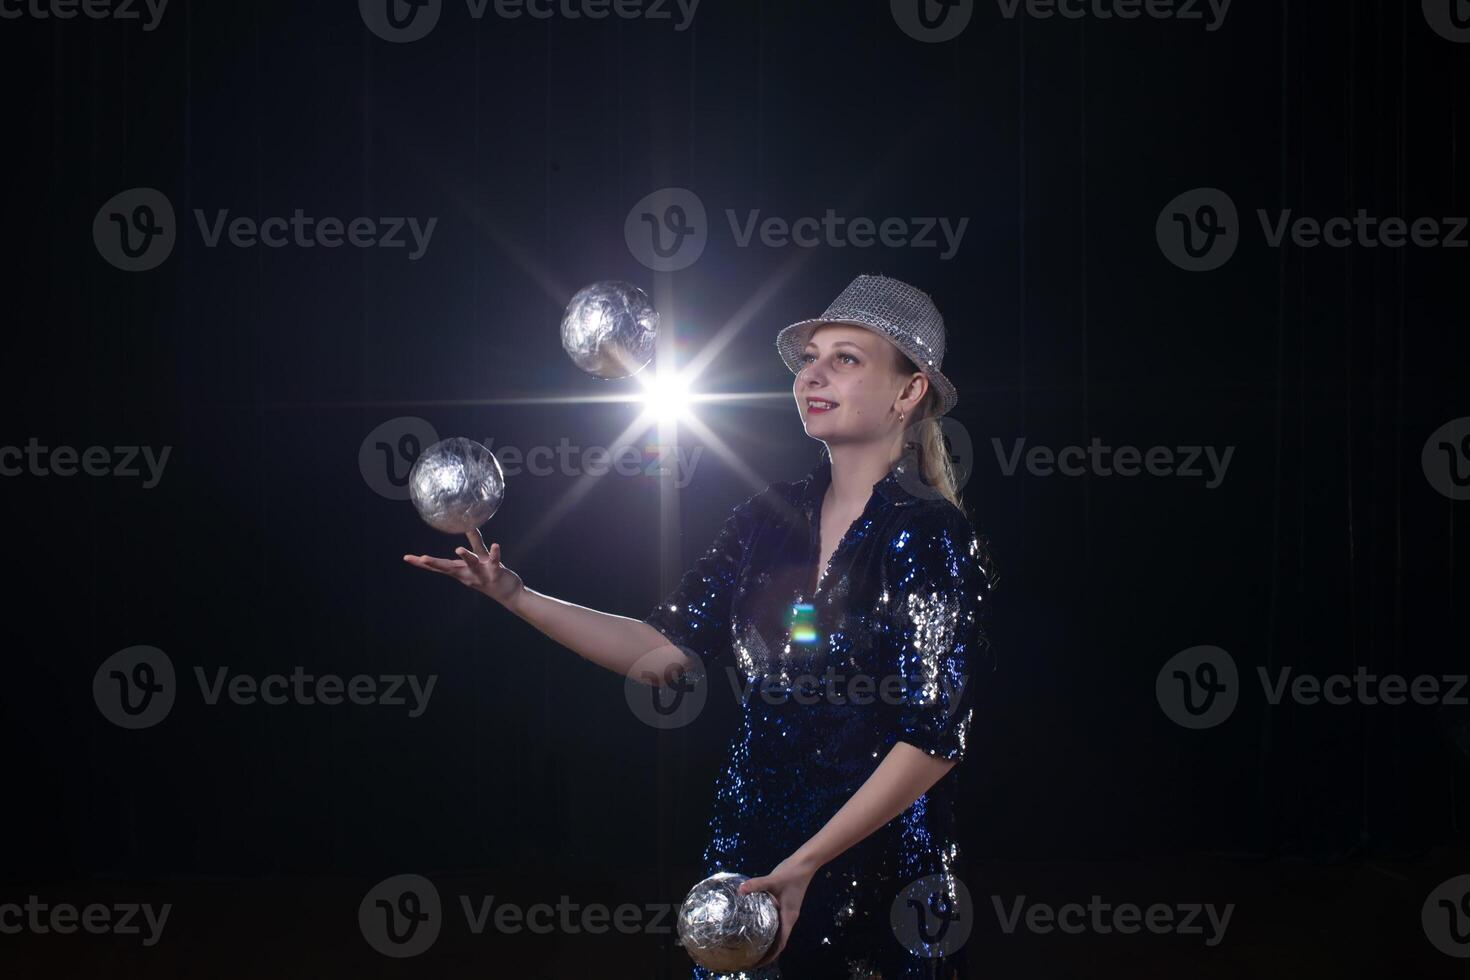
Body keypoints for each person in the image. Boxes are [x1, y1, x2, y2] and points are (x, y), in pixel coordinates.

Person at [404, 273, 994, 978]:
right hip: (749, 865)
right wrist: (515, 594)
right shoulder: (764, 520)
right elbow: (660, 653)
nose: (814, 372)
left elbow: (931, 742)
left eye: (846, 357)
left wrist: (805, 867)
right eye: (809, 357)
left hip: (873, 878)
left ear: (909, 392)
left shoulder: (931, 537)